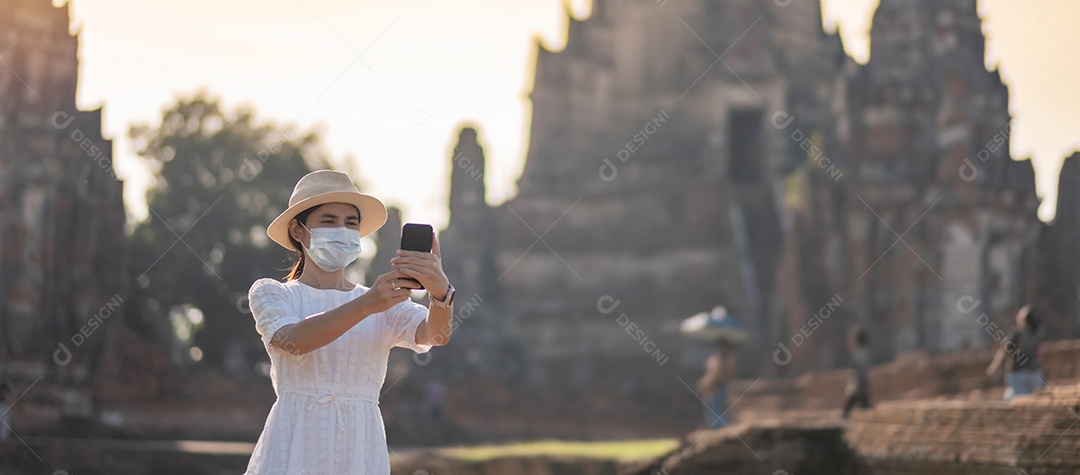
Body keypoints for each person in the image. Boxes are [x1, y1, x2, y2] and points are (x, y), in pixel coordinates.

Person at [244, 170, 456, 474]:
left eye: (350, 223)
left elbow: (435, 335)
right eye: (328, 221)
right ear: (298, 230)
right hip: (294, 444)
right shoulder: (272, 293)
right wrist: (368, 303)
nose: (341, 230)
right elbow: (294, 341)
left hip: (359, 449)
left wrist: (441, 293)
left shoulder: (383, 302)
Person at [986, 305, 1044, 400]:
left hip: (1018, 374)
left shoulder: (1017, 334)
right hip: (1034, 373)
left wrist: (994, 366)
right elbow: (1041, 353)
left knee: (1016, 400)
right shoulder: (1038, 334)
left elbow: (1004, 350)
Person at [696, 340, 737, 428]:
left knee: (716, 413)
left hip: (718, 388)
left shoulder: (727, 359)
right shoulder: (716, 358)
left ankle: (724, 430)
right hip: (712, 388)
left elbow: (720, 375)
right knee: (712, 413)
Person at [842, 325, 871, 418]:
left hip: (858, 384)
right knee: (864, 404)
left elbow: (859, 371)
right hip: (860, 384)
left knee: (851, 404)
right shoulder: (863, 352)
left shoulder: (859, 353)